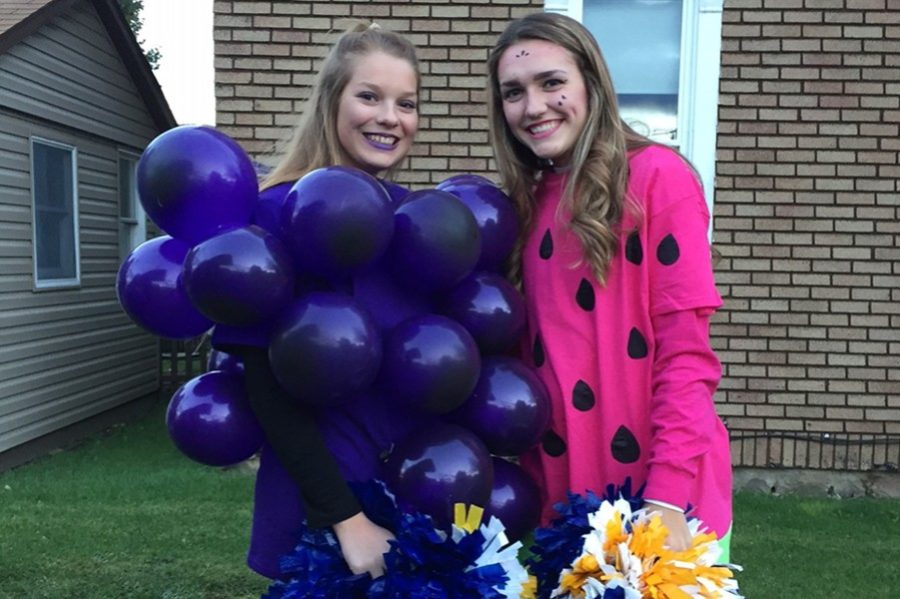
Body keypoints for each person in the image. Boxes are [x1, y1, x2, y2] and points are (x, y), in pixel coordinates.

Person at [485, 12, 733, 561]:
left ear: (592, 85)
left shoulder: (658, 178)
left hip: (662, 506)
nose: (533, 106)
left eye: (552, 82)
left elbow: (686, 354)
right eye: (513, 92)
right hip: (562, 502)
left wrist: (665, 498)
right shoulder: (521, 208)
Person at [212, 22, 423, 580]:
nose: (390, 117)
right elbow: (266, 387)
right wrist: (346, 519)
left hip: (411, 501)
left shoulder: (416, 226)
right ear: (333, 100)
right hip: (321, 512)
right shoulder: (275, 215)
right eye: (370, 96)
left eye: (407, 103)